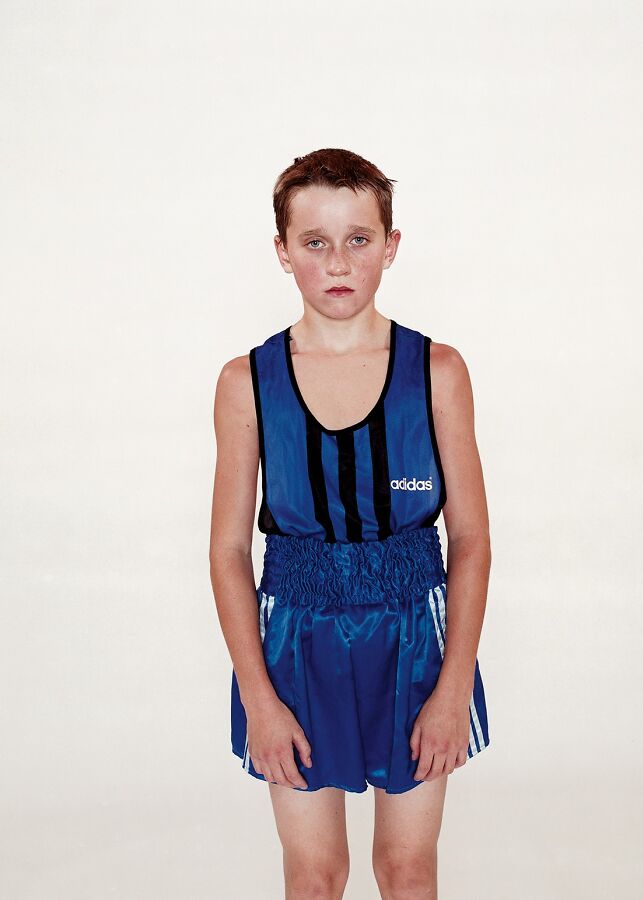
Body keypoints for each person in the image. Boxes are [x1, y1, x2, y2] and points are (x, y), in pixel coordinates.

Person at [210, 148, 491, 899]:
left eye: (359, 239)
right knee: (314, 873)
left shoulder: (437, 372)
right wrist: (259, 699)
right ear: (283, 252)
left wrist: (454, 685)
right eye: (315, 243)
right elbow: (229, 551)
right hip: (295, 642)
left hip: (414, 640)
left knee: (406, 869)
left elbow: (470, 541)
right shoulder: (247, 383)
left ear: (391, 246)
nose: (338, 262)